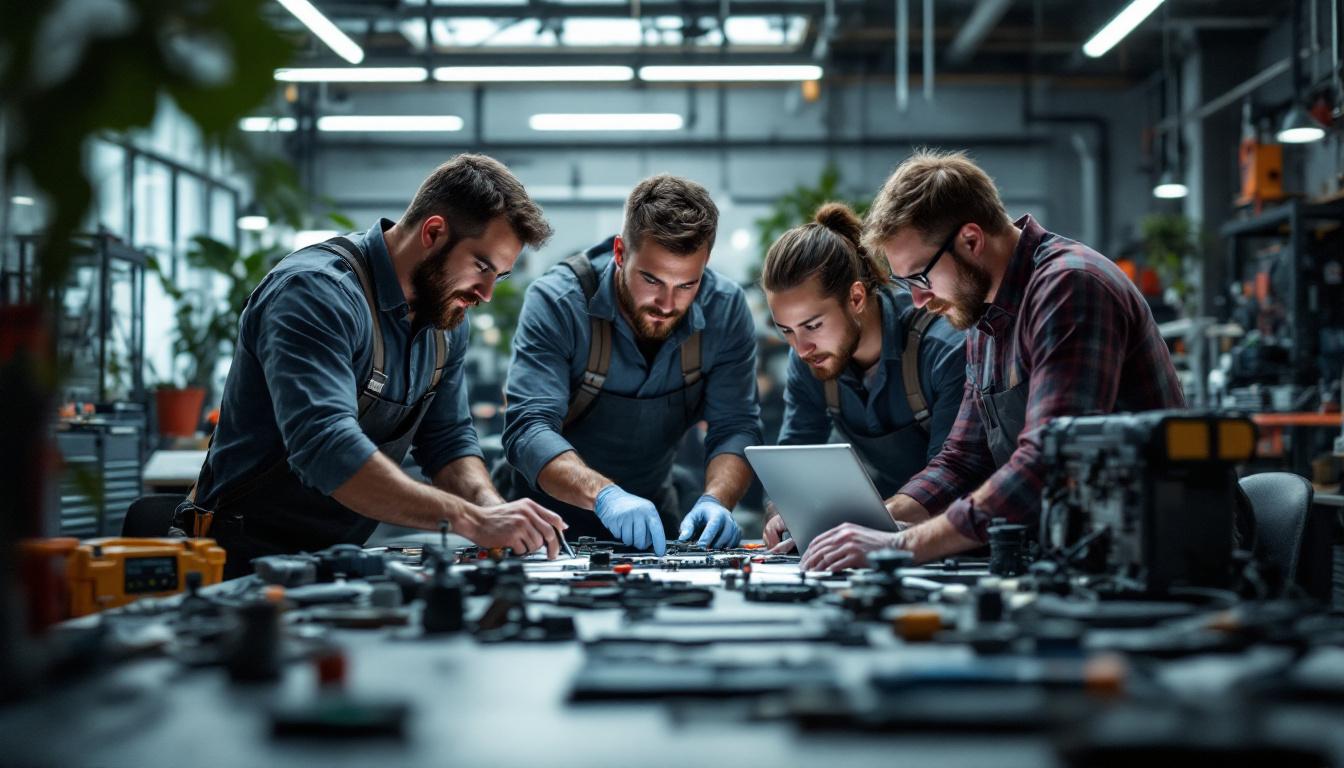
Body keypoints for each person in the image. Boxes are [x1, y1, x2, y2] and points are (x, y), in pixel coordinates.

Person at [176, 154, 567, 579]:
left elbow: (448, 442)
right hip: (236, 561)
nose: (487, 293)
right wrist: (470, 520)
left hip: (334, 562)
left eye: (501, 276)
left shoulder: (445, 321)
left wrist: (493, 510)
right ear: (433, 232)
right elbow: (326, 447)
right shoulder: (315, 293)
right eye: (481, 266)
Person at [801, 149, 1187, 571]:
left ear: (971, 240)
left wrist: (900, 546)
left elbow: (1048, 463)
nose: (916, 300)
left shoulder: (1069, 288)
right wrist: (874, 523)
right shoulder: (984, 318)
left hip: (1162, 554)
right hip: (1086, 552)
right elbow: (962, 460)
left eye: (920, 277)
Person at [497, 175, 763, 554]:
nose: (668, 303)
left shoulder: (725, 309)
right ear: (621, 253)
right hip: (544, 529)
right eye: (652, 279)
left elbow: (736, 425)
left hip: (655, 523)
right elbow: (528, 428)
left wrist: (717, 500)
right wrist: (606, 496)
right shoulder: (559, 302)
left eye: (687, 284)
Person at [759, 203, 965, 553]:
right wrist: (787, 511)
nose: (802, 347)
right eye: (786, 331)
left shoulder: (942, 349)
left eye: (812, 325)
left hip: (953, 538)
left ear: (855, 297)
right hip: (876, 540)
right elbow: (794, 456)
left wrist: (865, 526)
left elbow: (952, 476)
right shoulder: (809, 359)